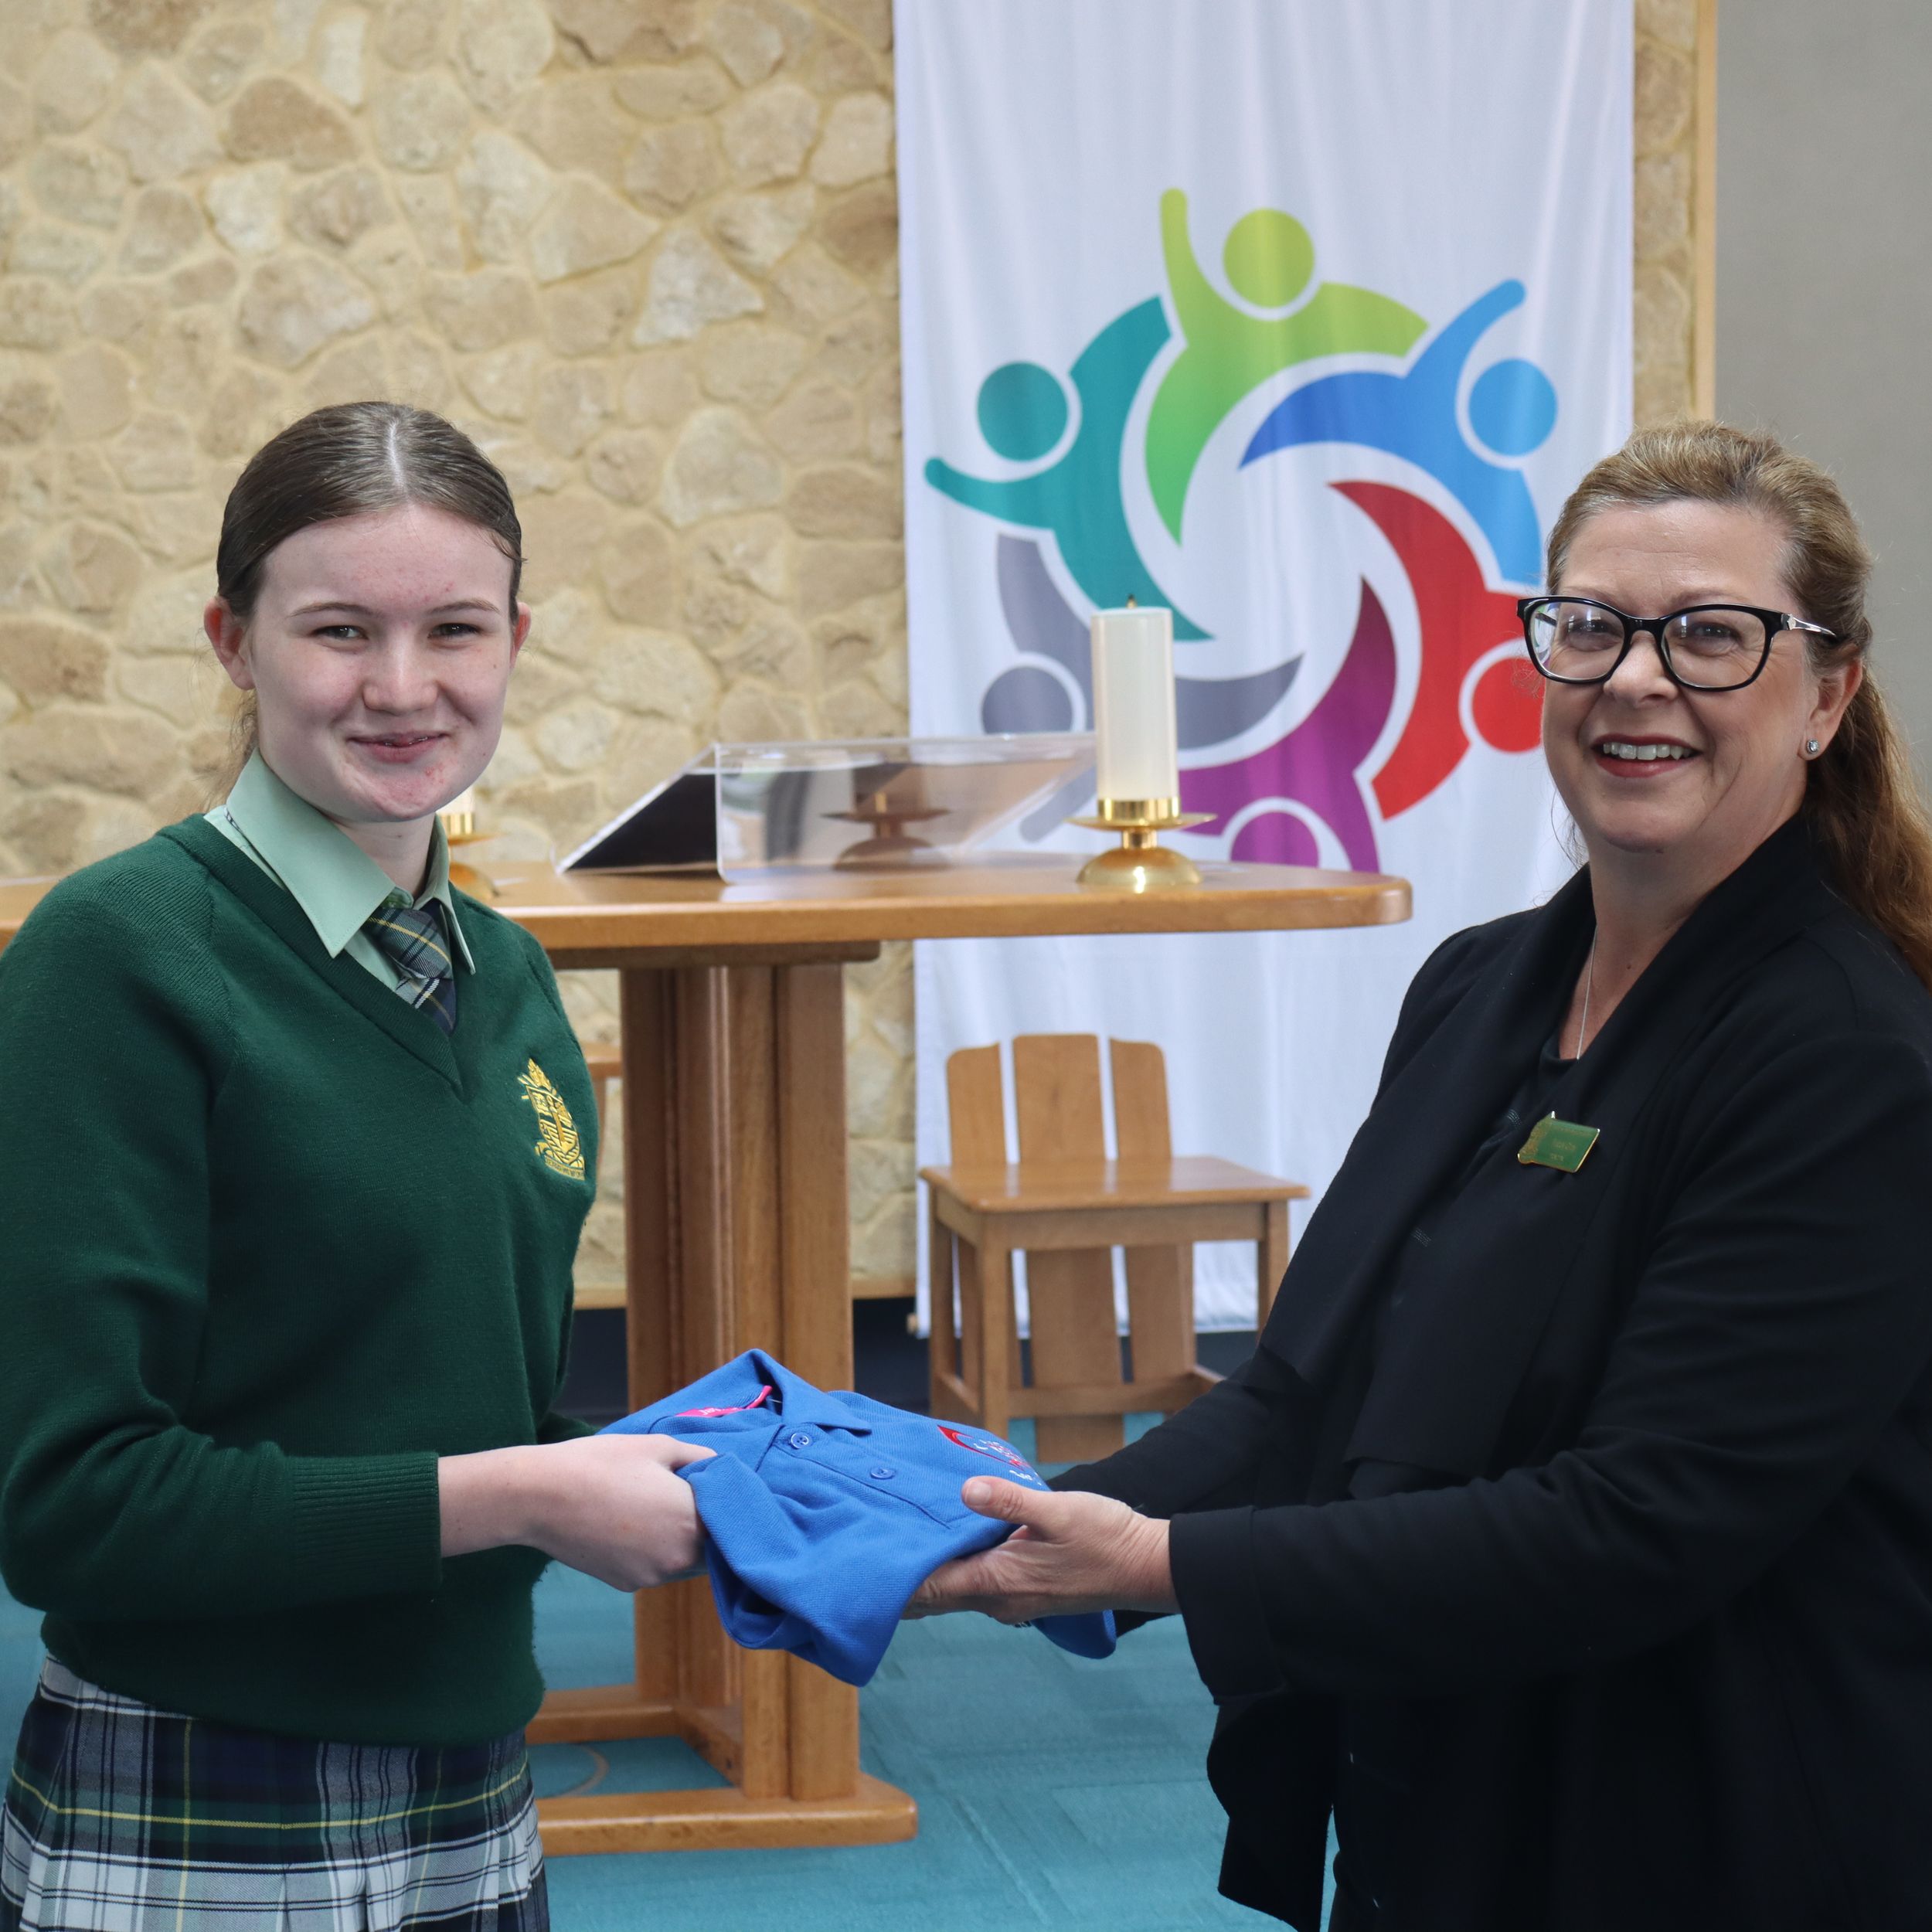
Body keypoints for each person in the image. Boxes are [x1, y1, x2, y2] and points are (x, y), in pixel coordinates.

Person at [910, 421, 1932, 1932]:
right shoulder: (1478, 987)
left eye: (1711, 635)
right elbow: (1301, 1391)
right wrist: (1020, 1518)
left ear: (1825, 695)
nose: (1635, 679)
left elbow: (1639, 1520)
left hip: (1707, 1821)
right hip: (1443, 1789)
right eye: (1589, 626)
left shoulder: (1843, 1055)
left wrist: (1166, 1563)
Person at [0, 403, 710, 1932]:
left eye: (455, 628)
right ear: (233, 642)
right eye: (339, 631)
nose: (402, 687)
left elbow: (443, 1401)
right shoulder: (116, 957)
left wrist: (740, 1490)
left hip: (472, 1777)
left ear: (515, 640)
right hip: (202, 1774)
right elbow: (70, 1503)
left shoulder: (508, 976)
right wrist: (528, 1492)